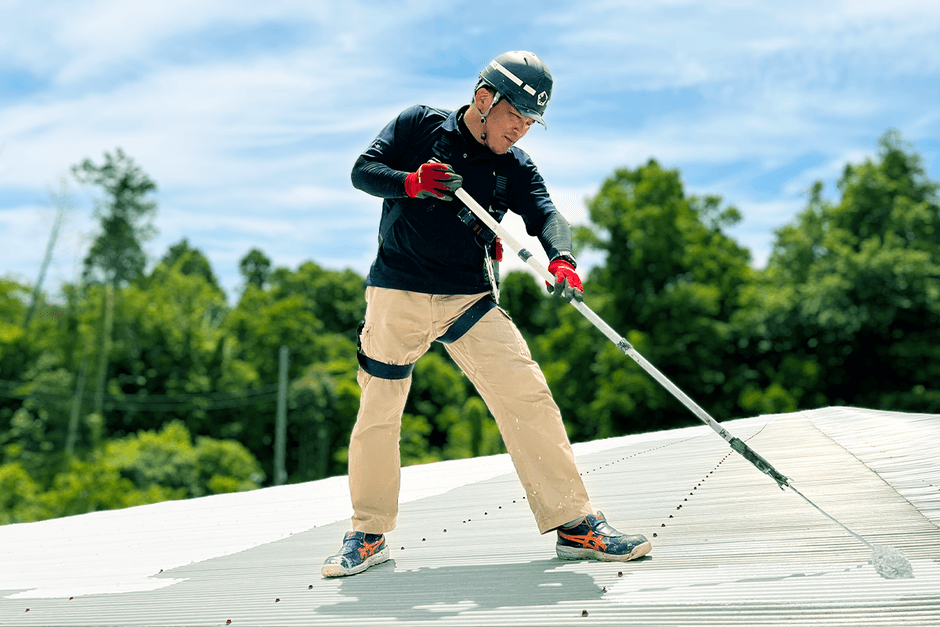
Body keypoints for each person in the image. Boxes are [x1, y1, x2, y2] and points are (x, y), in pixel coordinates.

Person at [321, 51, 651, 578]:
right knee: (379, 409)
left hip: (469, 301)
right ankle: (368, 532)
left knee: (528, 396)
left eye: (530, 121)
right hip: (397, 292)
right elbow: (363, 172)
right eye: (515, 115)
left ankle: (574, 524)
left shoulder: (513, 168)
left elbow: (545, 213)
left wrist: (561, 258)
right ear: (483, 99)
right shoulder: (418, 126)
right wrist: (411, 182)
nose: (521, 129)